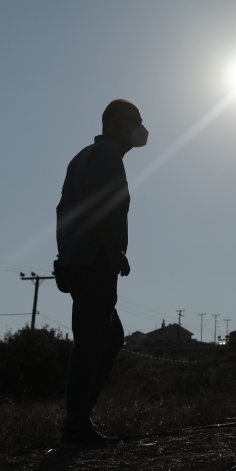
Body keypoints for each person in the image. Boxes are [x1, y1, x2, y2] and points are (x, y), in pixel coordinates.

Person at [55, 99, 148, 448]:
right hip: (94, 257)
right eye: (136, 122)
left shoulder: (81, 157)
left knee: (108, 338)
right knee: (94, 341)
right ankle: (75, 425)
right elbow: (95, 200)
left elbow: (61, 210)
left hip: (78, 256)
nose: (141, 129)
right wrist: (112, 249)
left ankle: (79, 420)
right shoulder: (107, 155)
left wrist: (63, 255)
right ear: (117, 123)